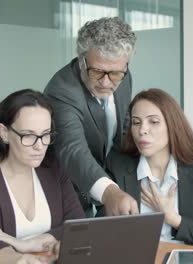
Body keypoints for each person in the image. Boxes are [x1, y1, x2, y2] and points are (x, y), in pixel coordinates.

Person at [0, 89, 85, 263]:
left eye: (46, 135)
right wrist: (18, 259)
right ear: (4, 133)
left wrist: (27, 243)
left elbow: (77, 227)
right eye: (29, 135)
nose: (40, 146)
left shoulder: (54, 170)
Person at [106, 88, 193, 249]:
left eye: (153, 122)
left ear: (172, 125)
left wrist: (173, 218)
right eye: (136, 122)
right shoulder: (118, 165)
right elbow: (105, 235)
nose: (142, 130)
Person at [43, 17, 138, 216]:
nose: (106, 82)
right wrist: (109, 192)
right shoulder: (62, 90)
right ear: (81, 59)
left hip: (112, 186)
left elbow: (123, 130)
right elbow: (72, 149)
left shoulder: (124, 76)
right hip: (69, 192)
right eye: (97, 71)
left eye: (115, 74)